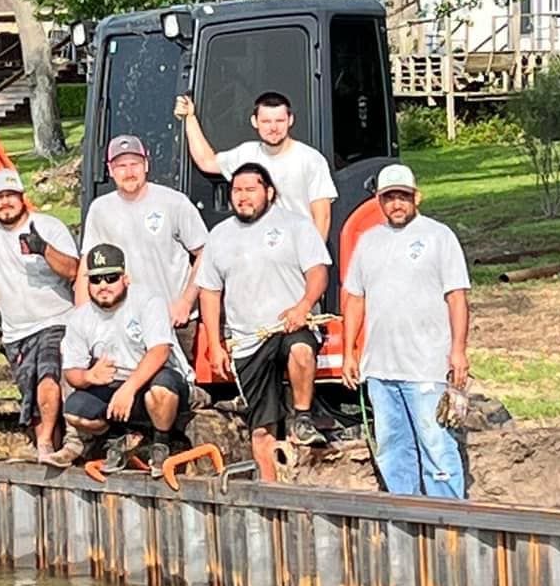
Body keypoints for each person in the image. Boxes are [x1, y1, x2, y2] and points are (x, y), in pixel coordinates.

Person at [340, 161, 471, 499]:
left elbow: (457, 297)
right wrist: (349, 353)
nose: (396, 204)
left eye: (403, 196)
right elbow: (354, 298)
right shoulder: (368, 242)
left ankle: (448, 520)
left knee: (436, 444)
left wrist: (458, 351)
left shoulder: (438, 236)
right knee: (393, 448)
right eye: (389, 197)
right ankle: (405, 518)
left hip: (425, 366)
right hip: (381, 368)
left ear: (417, 197)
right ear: (379, 201)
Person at [195, 164, 332, 481]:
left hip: (290, 325)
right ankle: (271, 493)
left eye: (250, 189)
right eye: (237, 191)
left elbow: (318, 273)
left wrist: (303, 306)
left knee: (301, 350)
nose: (242, 197)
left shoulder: (296, 225)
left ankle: (302, 416)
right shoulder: (220, 236)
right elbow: (210, 293)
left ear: (269, 192)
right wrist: (215, 345)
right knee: (261, 430)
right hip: (247, 338)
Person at [0, 169, 79, 460]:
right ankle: (52, 445)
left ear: (22, 198)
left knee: (48, 377)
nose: (5, 203)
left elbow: (74, 270)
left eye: (10, 196)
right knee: (32, 391)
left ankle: (45, 445)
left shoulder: (47, 227)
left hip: (56, 320)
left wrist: (44, 250)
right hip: (17, 331)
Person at [53, 243, 192, 470]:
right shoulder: (80, 318)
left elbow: (160, 351)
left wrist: (128, 388)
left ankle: (161, 444)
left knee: (161, 389)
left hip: (156, 379)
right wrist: (88, 376)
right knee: (75, 410)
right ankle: (120, 437)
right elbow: (72, 372)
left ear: (125, 278)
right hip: (114, 386)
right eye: (96, 280)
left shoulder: (148, 300)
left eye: (111, 278)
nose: (103, 285)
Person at [77, 133, 207, 325]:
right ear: (110, 170)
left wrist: (186, 303)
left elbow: (205, 254)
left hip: (176, 319)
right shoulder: (100, 209)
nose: (129, 172)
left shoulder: (174, 202)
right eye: (121, 166)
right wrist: (81, 321)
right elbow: (87, 265)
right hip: (126, 322)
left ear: (146, 165)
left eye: (135, 164)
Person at [175, 88, 337, 240]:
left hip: (296, 250)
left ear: (290, 120)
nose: (273, 128)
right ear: (255, 121)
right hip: (256, 253)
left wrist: (313, 262)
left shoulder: (311, 159)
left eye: (279, 120)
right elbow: (206, 161)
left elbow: (322, 217)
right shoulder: (245, 154)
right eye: (266, 121)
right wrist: (190, 118)